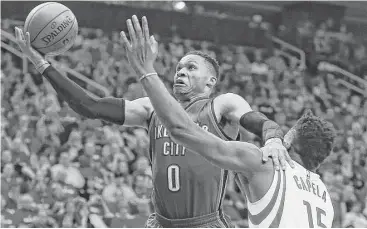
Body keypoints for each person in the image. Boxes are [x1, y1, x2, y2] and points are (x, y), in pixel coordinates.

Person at [15, 18, 292, 227]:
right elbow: (89, 106)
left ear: (211, 81)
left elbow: (259, 121)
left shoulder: (221, 104)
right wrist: (41, 64)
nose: (181, 71)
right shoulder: (151, 109)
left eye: (191, 67)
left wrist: (274, 138)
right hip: (161, 223)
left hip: (205, 223)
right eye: (178, 68)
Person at [120, 16, 336, 227]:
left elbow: (180, 129)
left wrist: (146, 70)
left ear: (289, 143)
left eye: (285, 138)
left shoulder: (264, 164)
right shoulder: (325, 198)